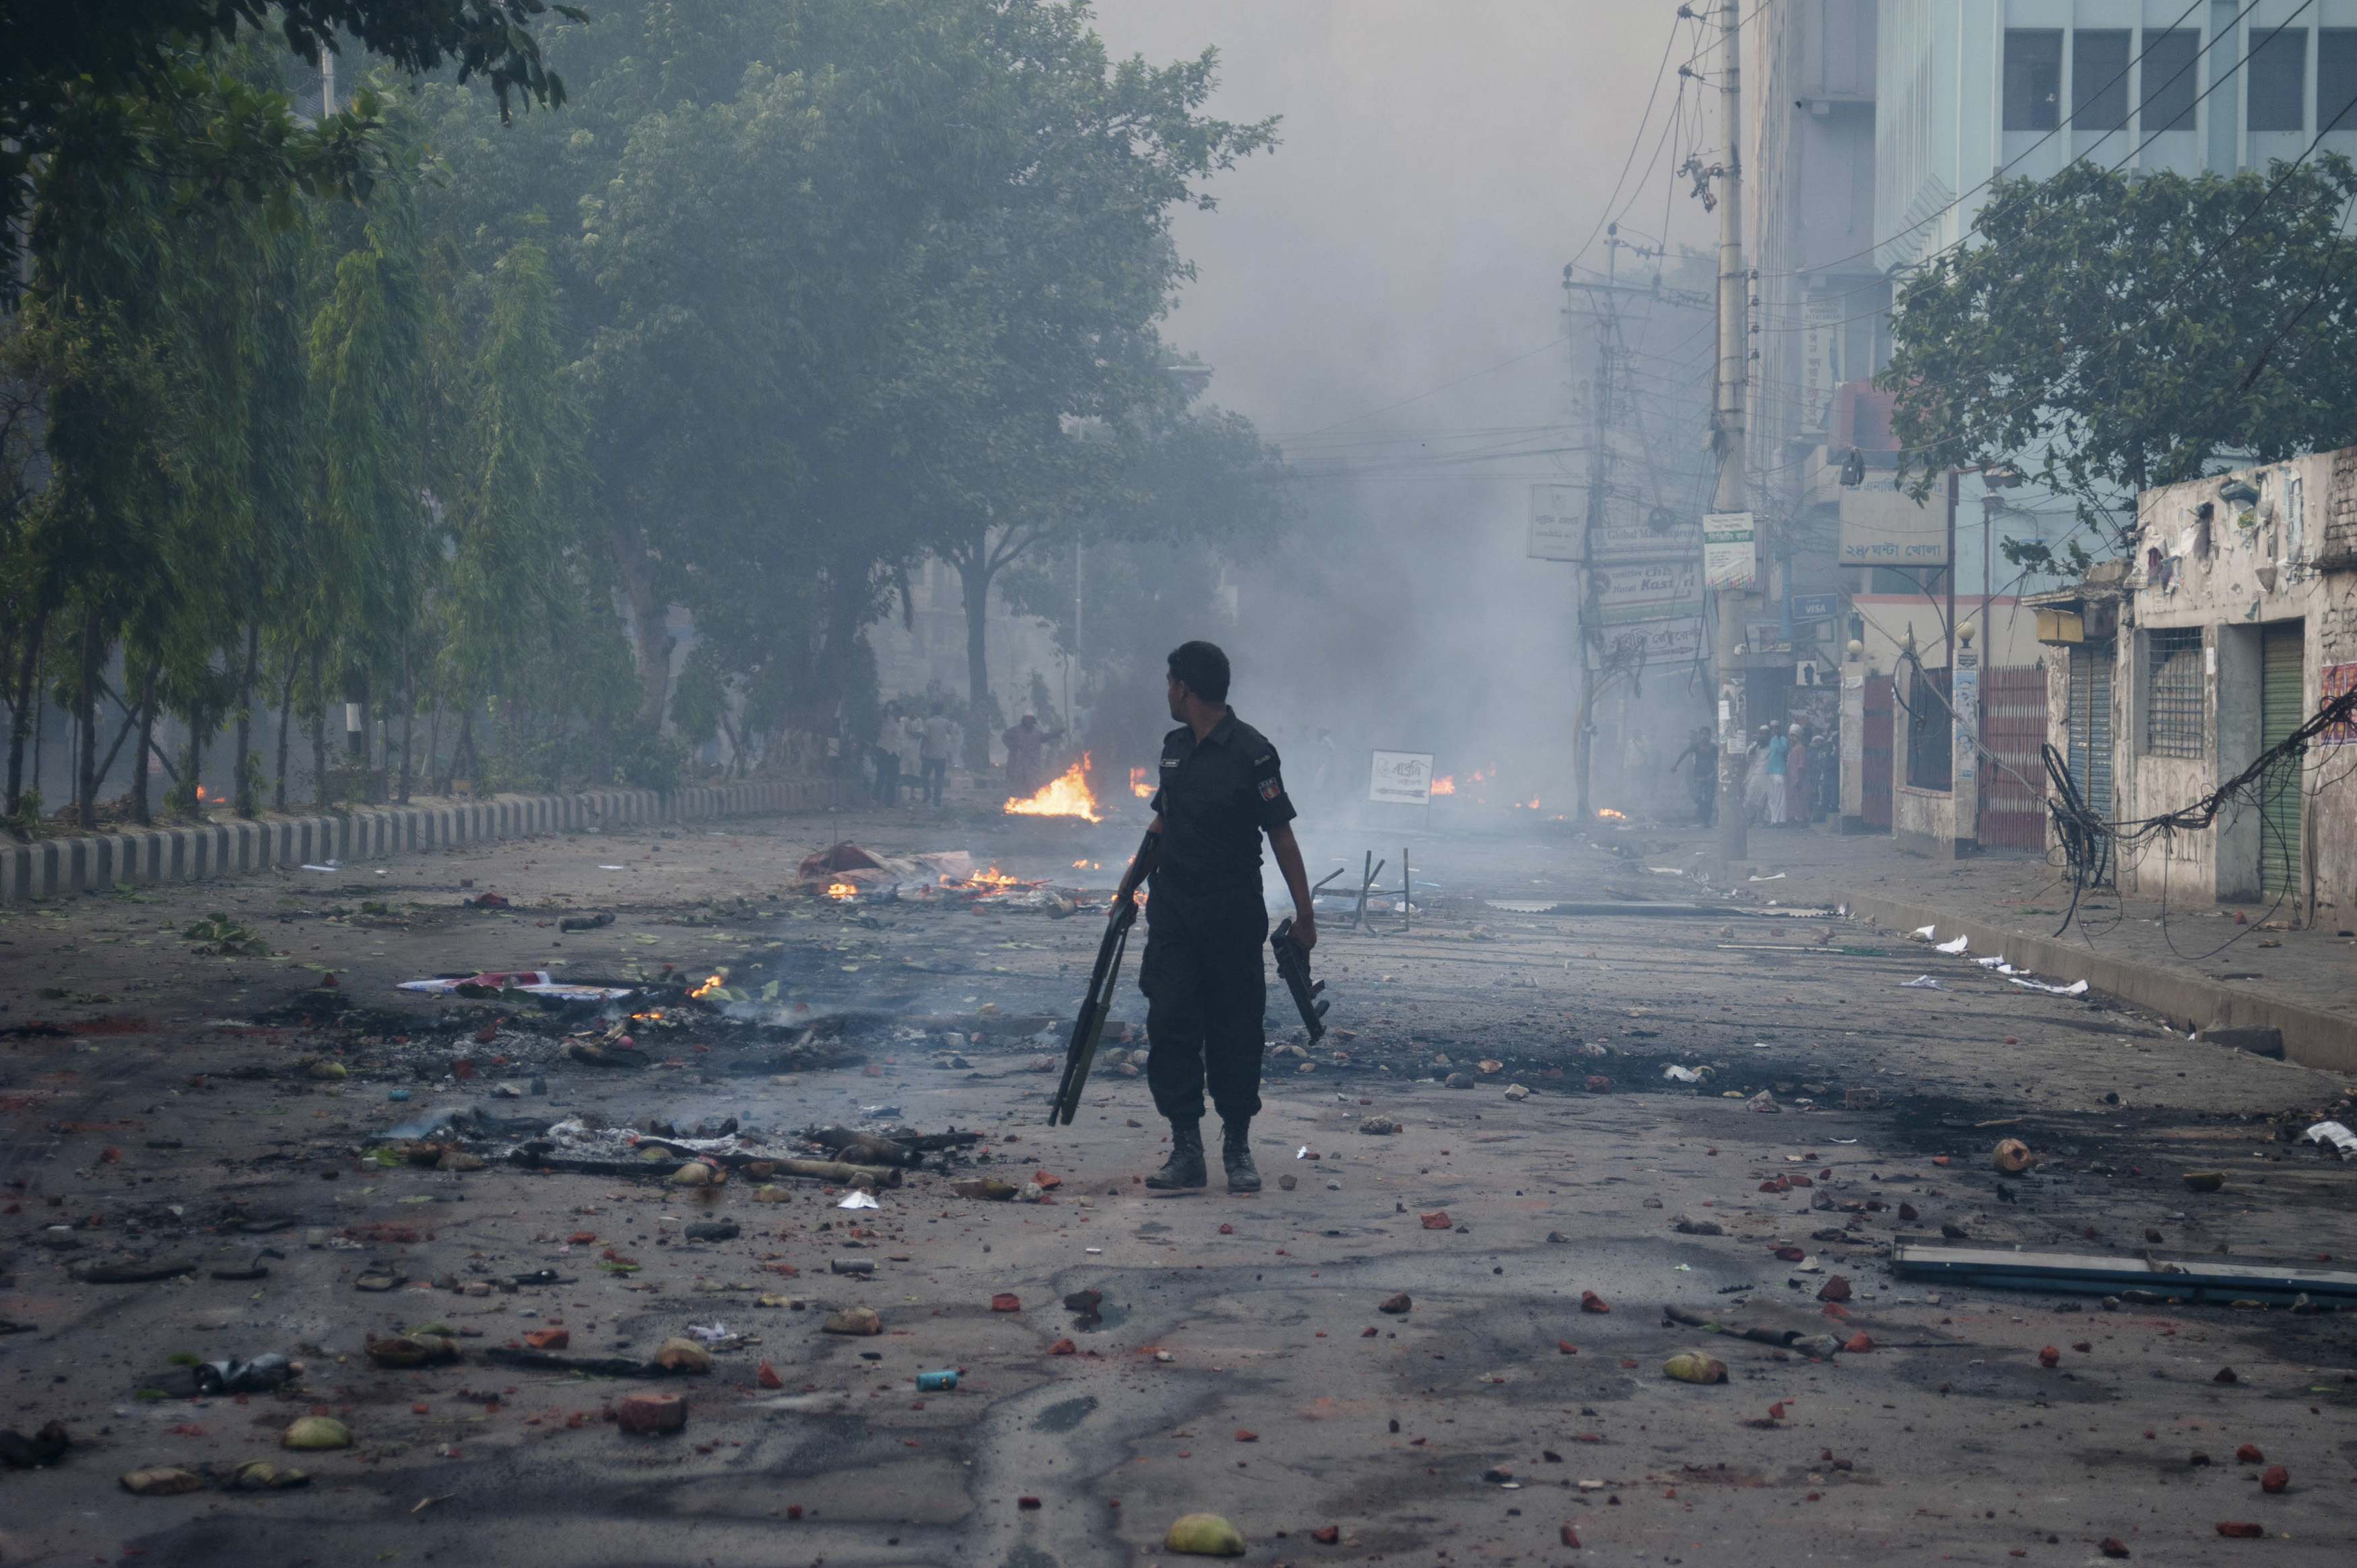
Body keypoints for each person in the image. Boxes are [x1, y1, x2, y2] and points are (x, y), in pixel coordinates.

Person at [1110, 641, 1316, 1194]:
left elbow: (1282, 836)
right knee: (1171, 1024)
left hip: (1231, 913)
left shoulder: (1253, 752)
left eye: (1170, 682)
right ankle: (1186, 1149)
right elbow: (1161, 825)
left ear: (1185, 687)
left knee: (1236, 1028)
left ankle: (1237, 1147)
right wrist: (1128, 888)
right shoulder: (1174, 749)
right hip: (1173, 914)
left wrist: (1305, 915)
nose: (1167, 692)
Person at [1669, 724, 1715, 825]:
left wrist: (1715, 773)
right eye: (1702, 734)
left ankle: (1706, 821)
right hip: (1698, 776)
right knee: (1696, 796)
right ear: (1700, 736)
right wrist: (1676, 765)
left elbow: (1720, 761)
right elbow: (1684, 754)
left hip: (1710, 777)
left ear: (1709, 736)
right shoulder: (1696, 746)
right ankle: (1704, 809)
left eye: (1706, 734)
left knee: (1709, 799)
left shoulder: (1714, 748)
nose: (1704, 736)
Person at [1003, 714, 1044, 799]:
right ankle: (1015, 799)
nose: (1029, 722)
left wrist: (1056, 734)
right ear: (1024, 721)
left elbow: (1045, 738)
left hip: (1031, 764)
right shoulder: (1015, 730)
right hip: (1016, 763)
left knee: (1031, 783)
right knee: (1016, 783)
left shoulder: (1036, 733)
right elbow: (1005, 737)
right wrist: (1013, 746)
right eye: (1027, 720)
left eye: (1031, 720)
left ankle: (1030, 798)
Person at [919, 703, 952, 807]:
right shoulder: (946, 722)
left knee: (924, 775)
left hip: (929, 755)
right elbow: (951, 732)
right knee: (939, 778)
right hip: (941, 755)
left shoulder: (928, 722)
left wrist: (920, 750)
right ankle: (937, 800)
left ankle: (927, 793)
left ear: (933, 710)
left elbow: (924, 737)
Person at [871, 706, 903, 806]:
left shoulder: (901, 724)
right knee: (881, 776)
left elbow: (900, 740)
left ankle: (889, 802)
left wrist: (900, 753)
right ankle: (875, 799)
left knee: (892, 778)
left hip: (895, 752)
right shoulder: (885, 720)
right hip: (883, 749)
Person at [1783, 723, 1811, 828]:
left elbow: (1801, 765)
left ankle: (1802, 819)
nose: (1791, 738)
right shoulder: (1794, 748)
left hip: (1799, 779)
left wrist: (1799, 779)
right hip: (1792, 779)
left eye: (1793, 736)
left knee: (1800, 800)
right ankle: (1795, 819)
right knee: (1793, 799)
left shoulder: (1800, 748)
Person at [1763, 722, 1791, 825]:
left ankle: (1781, 820)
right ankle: (1774, 820)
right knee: (1772, 798)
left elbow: (1782, 750)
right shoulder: (1771, 741)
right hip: (1770, 771)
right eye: (1772, 729)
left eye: (1776, 728)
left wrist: (1775, 738)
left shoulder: (1783, 740)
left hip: (1780, 771)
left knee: (1781, 798)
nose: (1774, 730)